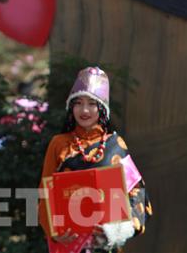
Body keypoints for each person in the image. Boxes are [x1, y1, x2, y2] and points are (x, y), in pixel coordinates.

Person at [38, 67, 152, 252]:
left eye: (92, 103)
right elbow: (44, 193)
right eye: (79, 103)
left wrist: (117, 230)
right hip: (68, 244)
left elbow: (138, 194)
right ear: (71, 107)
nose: (84, 110)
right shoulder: (58, 144)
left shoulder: (115, 145)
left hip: (106, 245)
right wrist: (53, 231)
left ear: (102, 109)